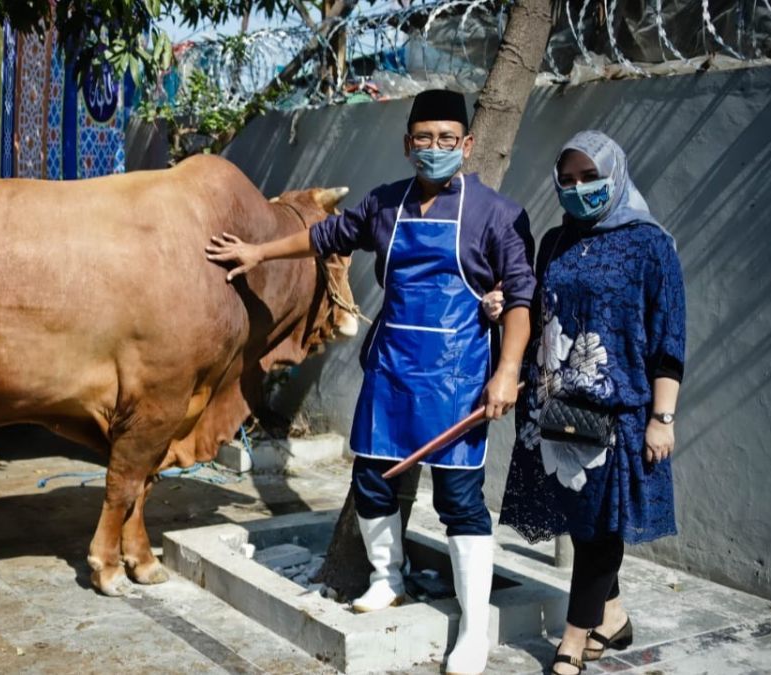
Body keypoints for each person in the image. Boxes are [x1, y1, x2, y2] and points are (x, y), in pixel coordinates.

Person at [206, 89, 535, 675]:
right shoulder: (386, 204)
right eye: (423, 138)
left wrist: (507, 372)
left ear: (467, 145)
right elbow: (324, 237)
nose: (434, 149)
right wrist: (260, 251)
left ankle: (474, 628)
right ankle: (389, 579)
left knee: (460, 501)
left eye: (446, 139)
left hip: (459, 377)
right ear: (408, 144)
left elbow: (521, 301)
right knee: (373, 481)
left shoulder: (497, 214)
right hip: (391, 370)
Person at [495, 130, 686, 675]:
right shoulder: (555, 241)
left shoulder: (652, 245)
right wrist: (500, 308)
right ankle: (613, 616)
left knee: (602, 526)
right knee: (583, 522)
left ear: (615, 175)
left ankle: (573, 641)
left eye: (591, 177)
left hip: (620, 413)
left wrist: (662, 417)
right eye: (569, 179)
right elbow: (535, 308)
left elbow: (669, 338)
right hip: (556, 409)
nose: (579, 189)